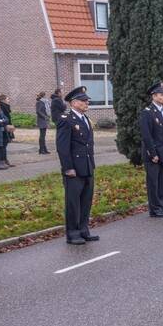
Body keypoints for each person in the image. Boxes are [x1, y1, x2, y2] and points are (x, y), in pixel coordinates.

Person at [56, 86, 98, 245]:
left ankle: (83, 230)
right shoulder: (66, 119)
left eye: (87, 101)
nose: (87, 103)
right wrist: (68, 168)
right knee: (73, 202)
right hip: (74, 168)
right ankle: (73, 233)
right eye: (83, 100)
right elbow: (63, 147)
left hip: (87, 165)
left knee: (86, 200)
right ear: (73, 103)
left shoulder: (85, 118)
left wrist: (91, 164)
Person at [140, 82, 163, 216]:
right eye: (161, 94)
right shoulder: (147, 112)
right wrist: (152, 154)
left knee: (162, 181)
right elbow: (146, 135)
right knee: (153, 182)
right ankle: (154, 209)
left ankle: (161, 205)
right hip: (153, 154)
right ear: (154, 96)